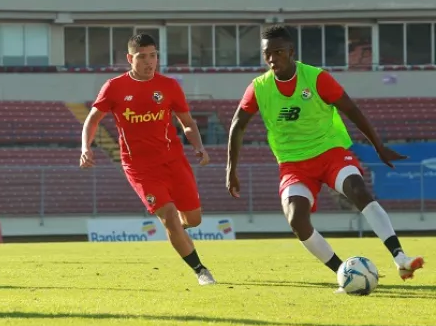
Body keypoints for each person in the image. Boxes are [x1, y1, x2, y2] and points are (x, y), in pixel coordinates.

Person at [226, 25, 424, 289]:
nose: (273, 58)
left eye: (279, 52)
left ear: (291, 52)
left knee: (357, 189)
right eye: (267, 54)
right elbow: (238, 124)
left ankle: (400, 258)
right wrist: (231, 169)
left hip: (329, 153)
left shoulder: (317, 78)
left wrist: (379, 146)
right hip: (293, 164)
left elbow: (352, 110)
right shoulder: (259, 88)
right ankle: (343, 272)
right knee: (297, 219)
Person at [80, 33, 217, 286]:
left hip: (173, 161)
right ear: (129, 58)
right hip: (140, 168)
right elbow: (92, 119)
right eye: (142, 57)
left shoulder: (170, 86)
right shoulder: (114, 87)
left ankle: (178, 233)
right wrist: (85, 147)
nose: (149, 62)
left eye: (153, 56)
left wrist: (198, 146)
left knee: (193, 220)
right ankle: (200, 270)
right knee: (169, 217)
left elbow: (187, 123)